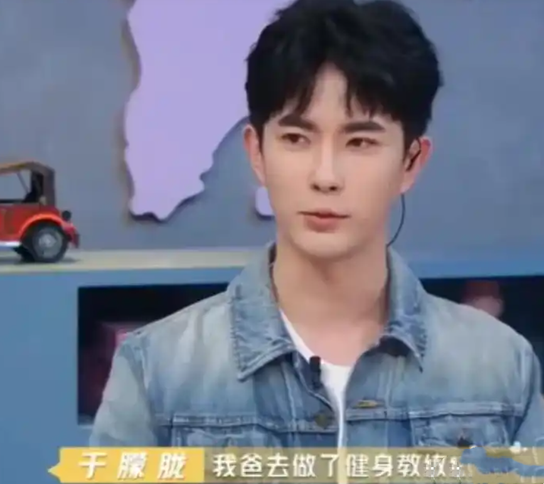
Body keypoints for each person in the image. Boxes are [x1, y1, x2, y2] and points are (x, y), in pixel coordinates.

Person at [92, 0, 544, 448]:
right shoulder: (157, 370)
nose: (325, 176)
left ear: (411, 162)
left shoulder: (499, 368)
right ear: (257, 153)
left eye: (360, 142)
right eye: (296, 138)